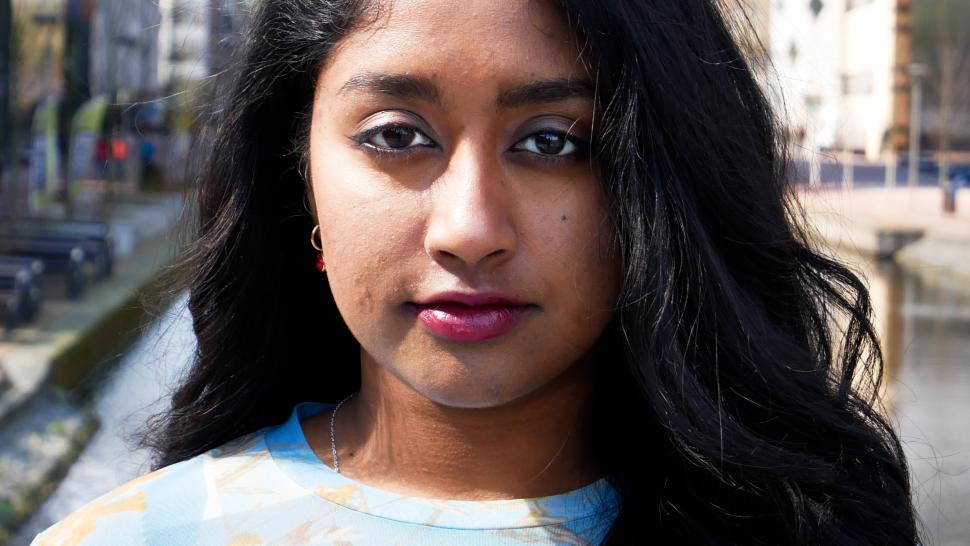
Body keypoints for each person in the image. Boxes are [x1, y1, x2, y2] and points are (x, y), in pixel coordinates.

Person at [34, 0, 920, 544]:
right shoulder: (141, 537)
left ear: (657, 181)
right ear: (296, 175)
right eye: (396, 136)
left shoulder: (803, 528)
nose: (470, 230)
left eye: (552, 142)